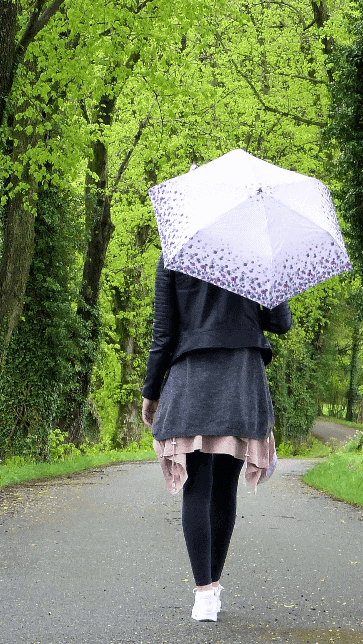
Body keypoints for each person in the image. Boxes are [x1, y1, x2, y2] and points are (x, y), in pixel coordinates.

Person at [141, 255, 292, 622]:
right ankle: (213, 589)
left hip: (193, 372)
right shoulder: (254, 252)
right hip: (241, 373)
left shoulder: (175, 254)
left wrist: (152, 390)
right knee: (225, 485)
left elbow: (164, 331)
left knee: (198, 482)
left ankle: (204, 593)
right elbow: (280, 321)